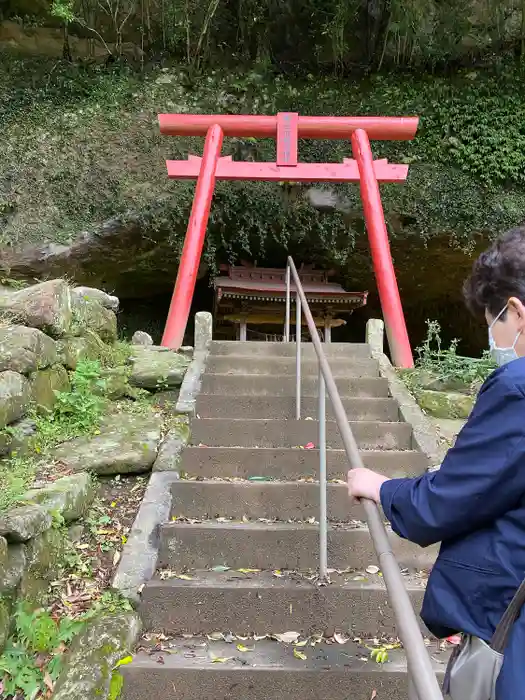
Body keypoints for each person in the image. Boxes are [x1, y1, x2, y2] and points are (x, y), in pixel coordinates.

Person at [347, 226, 525, 699]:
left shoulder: (518, 389)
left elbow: (449, 499)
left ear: (517, 313)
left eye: (494, 324)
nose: (495, 338)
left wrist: (382, 489)